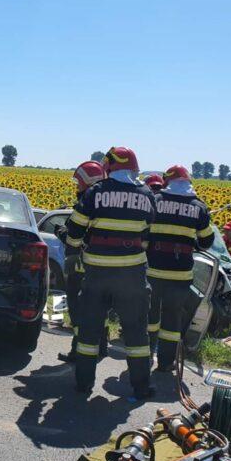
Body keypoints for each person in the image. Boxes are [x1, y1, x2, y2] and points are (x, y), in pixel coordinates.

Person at [64, 146, 156, 399]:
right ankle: (141, 387)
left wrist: (72, 254)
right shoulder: (146, 195)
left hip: (97, 275)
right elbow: (148, 234)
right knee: (137, 333)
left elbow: (75, 229)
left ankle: (83, 385)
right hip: (132, 277)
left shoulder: (95, 193)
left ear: (109, 166)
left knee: (89, 332)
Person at [146, 165, 214, 372]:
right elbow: (206, 242)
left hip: (152, 272)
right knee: (172, 320)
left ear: (168, 181)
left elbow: (142, 231)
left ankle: (145, 356)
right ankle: (166, 363)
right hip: (180, 275)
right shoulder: (199, 207)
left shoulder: (155, 201)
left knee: (149, 317)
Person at [57, 160, 108, 363]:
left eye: (79, 183)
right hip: (101, 268)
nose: (77, 187)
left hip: (80, 264)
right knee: (100, 308)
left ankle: (79, 349)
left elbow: (75, 237)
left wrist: (61, 232)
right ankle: (101, 346)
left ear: (87, 182)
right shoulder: (106, 203)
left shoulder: (86, 203)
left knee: (77, 308)